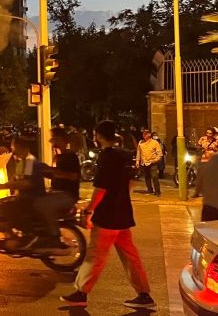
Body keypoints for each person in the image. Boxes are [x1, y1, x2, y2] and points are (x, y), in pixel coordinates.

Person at [61, 120, 154, 309]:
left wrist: (89, 209)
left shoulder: (106, 156)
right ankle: (144, 294)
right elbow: (130, 184)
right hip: (123, 213)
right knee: (130, 255)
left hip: (107, 216)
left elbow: (101, 188)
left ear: (98, 136)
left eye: (95, 135)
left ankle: (81, 293)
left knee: (95, 255)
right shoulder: (125, 154)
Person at [36, 128, 80, 249]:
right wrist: (41, 172)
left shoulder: (71, 156)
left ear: (63, 140)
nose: (52, 142)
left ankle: (54, 237)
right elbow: (55, 175)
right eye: (52, 139)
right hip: (56, 193)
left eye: (54, 138)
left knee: (42, 204)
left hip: (67, 196)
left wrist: (51, 170)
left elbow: (73, 176)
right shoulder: (57, 157)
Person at [135, 129, 163, 197]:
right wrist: (137, 160)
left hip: (152, 162)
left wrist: (155, 160)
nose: (144, 135)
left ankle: (157, 191)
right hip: (144, 163)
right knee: (147, 177)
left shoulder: (155, 142)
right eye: (143, 134)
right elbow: (138, 152)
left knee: (154, 177)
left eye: (146, 134)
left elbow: (159, 153)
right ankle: (150, 189)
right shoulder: (141, 143)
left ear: (149, 135)